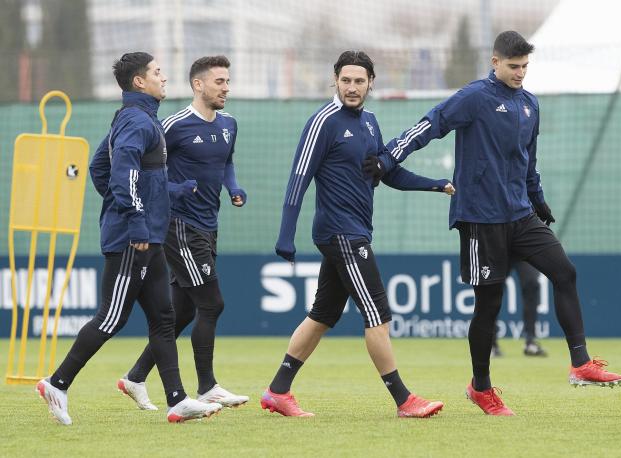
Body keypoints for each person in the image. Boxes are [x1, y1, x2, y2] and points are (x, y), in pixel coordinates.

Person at [378, 31, 621, 416]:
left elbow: (529, 159)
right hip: (480, 218)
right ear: (495, 63)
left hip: (521, 214)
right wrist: (388, 156)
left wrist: (537, 198)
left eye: (525, 66)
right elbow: (431, 124)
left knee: (565, 272)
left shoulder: (530, 104)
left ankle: (580, 363)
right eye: (513, 66)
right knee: (489, 306)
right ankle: (481, 387)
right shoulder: (475, 97)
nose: (520, 73)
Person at [36, 52, 222, 425]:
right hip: (132, 239)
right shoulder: (137, 121)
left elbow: (100, 168)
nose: (164, 77)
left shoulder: (137, 119)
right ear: (140, 82)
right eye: (157, 72)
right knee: (111, 317)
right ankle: (56, 383)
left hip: (147, 236)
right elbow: (122, 171)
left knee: (164, 318)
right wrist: (133, 218)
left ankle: (177, 400)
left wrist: (166, 193)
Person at [263, 50, 449, 418]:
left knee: (322, 315)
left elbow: (387, 173)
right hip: (340, 232)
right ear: (335, 81)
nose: (352, 87)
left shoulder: (370, 122)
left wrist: (436, 185)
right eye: (345, 80)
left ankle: (277, 391)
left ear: (370, 84)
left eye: (359, 81)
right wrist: (286, 235)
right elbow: (298, 179)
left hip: (355, 231)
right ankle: (404, 400)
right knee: (377, 312)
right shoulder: (323, 121)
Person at [115, 55, 249, 411]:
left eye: (227, 81)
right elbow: (150, 166)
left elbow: (227, 162)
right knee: (212, 303)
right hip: (179, 225)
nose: (226, 88)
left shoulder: (229, 124)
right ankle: (207, 387)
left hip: (209, 224)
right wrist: (173, 191)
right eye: (219, 81)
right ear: (198, 85)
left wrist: (232, 187)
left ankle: (135, 377)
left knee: (185, 311)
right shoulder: (172, 125)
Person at [491, 261, 547, 357]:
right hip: (500, 249)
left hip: (522, 248)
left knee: (532, 283)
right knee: (492, 289)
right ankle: (490, 345)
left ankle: (530, 342)